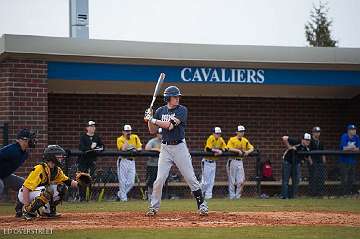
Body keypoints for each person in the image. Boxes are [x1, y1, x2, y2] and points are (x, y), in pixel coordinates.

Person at [144, 85, 208, 216]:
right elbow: (152, 130)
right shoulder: (160, 110)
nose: (178, 98)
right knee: (159, 179)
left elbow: (169, 126)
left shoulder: (182, 110)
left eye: (178, 96)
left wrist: (152, 119)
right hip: (165, 148)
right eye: (175, 96)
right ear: (168, 98)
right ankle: (153, 208)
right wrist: (149, 118)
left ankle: (202, 205)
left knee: (190, 178)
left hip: (179, 147)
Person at [18, 145, 82, 220]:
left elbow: (68, 181)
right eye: (58, 155)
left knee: (62, 188)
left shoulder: (56, 170)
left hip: (38, 191)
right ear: (51, 157)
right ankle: (28, 211)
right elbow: (26, 187)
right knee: (48, 190)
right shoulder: (40, 168)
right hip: (25, 194)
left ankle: (48, 211)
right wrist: (26, 205)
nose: (61, 157)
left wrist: (81, 184)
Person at [0, 129, 36, 217]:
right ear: (21, 140)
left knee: (25, 185)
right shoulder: (12, 149)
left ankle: (19, 209)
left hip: (4, 175)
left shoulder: (24, 153)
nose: (31, 141)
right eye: (29, 139)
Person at [78, 121, 104, 201]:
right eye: (90, 126)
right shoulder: (83, 137)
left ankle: (88, 197)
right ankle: (82, 197)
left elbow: (102, 147)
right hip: (83, 161)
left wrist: (95, 148)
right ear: (87, 128)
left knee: (91, 179)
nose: (92, 127)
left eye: (93, 126)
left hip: (92, 161)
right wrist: (91, 148)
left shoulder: (97, 137)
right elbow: (82, 148)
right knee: (82, 179)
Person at [226, 125, 254, 199]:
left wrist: (248, 151)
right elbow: (228, 148)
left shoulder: (245, 140)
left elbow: (252, 148)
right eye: (240, 131)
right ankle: (232, 196)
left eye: (243, 131)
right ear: (236, 132)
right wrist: (238, 150)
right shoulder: (232, 139)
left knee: (241, 180)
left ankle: (238, 196)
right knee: (232, 180)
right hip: (232, 160)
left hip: (240, 161)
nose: (242, 133)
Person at [116, 124, 142, 202]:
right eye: (126, 131)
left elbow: (139, 148)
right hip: (123, 161)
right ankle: (124, 199)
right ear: (123, 132)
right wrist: (127, 140)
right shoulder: (120, 139)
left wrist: (136, 149)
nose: (128, 132)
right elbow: (123, 149)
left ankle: (119, 194)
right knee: (122, 181)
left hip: (132, 161)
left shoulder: (135, 137)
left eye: (129, 131)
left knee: (131, 182)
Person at [281, 133, 311, 199]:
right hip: (287, 161)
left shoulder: (306, 149)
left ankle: (292, 196)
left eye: (308, 140)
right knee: (286, 180)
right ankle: (284, 196)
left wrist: (303, 161)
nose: (307, 141)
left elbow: (306, 158)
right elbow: (284, 138)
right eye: (306, 140)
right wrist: (290, 147)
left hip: (295, 164)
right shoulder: (296, 141)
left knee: (296, 180)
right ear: (302, 139)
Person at [201, 127, 227, 199]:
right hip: (206, 161)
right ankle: (199, 194)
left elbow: (226, 148)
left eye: (219, 133)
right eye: (216, 133)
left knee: (211, 181)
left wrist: (220, 151)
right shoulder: (211, 138)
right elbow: (208, 149)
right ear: (213, 133)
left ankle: (208, 196)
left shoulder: (220, 139)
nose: (218, 135)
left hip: (213, 162)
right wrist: (217, 151)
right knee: (205, 182)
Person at [339, 124, 359, 196]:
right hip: (344, 161)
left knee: (351, 178)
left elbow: (358, 148)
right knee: (344, 178)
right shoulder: (344, 136)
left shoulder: (357, 137)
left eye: (354, 129)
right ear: (348, 131)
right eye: (352, 130)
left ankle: (349, 192)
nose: (354, 131)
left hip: (353, 161)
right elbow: (344, 148)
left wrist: (350, 148)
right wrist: (353, 148)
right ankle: (343, 193)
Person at [145, 128, 162, 200]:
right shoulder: (152, 141)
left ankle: (157, 196)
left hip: (161, 165)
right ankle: (149, 195)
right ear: (157, 134)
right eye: (159, 133)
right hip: (152, 164)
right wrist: (157, 149)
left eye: (162, 133)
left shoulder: (166, 141)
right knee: (151, 181)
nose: (161, 135)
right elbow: (147, 148)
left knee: (160, 181)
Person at [308, 126, 326, 197]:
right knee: (313, 177)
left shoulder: (320, 142)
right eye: (316, 132)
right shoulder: (310, 141)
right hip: (313, 162)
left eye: (318, 132)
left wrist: (324, 160)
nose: (317, 133)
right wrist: (311, 162)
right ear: (313, 133)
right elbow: (308, 153)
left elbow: (323, 153)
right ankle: (313, 193)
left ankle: (320, 192)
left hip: (320, 162)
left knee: (321, 177)